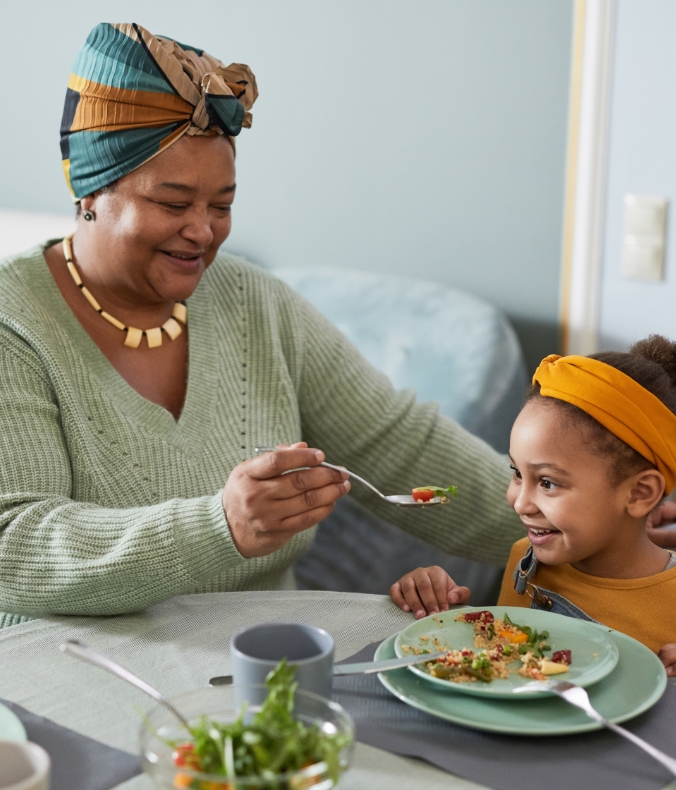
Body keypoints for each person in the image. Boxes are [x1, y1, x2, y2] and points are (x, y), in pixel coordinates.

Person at [0, 23, 522, 628]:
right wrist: (220, 526)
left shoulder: (255, 303)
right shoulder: (16, 325)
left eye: (221, 205)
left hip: (264, 671)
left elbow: (402, 444)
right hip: (66, 683)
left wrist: (570, 525)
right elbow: (13, 543)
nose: (203, 230)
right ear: (90, 189)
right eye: (173, 204)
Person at [390, 336, 676, 674]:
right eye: (516, 473)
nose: (519, 502)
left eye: (547, 483)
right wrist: (441, 609)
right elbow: (502, 671)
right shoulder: (524, 558)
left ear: (639, 493)